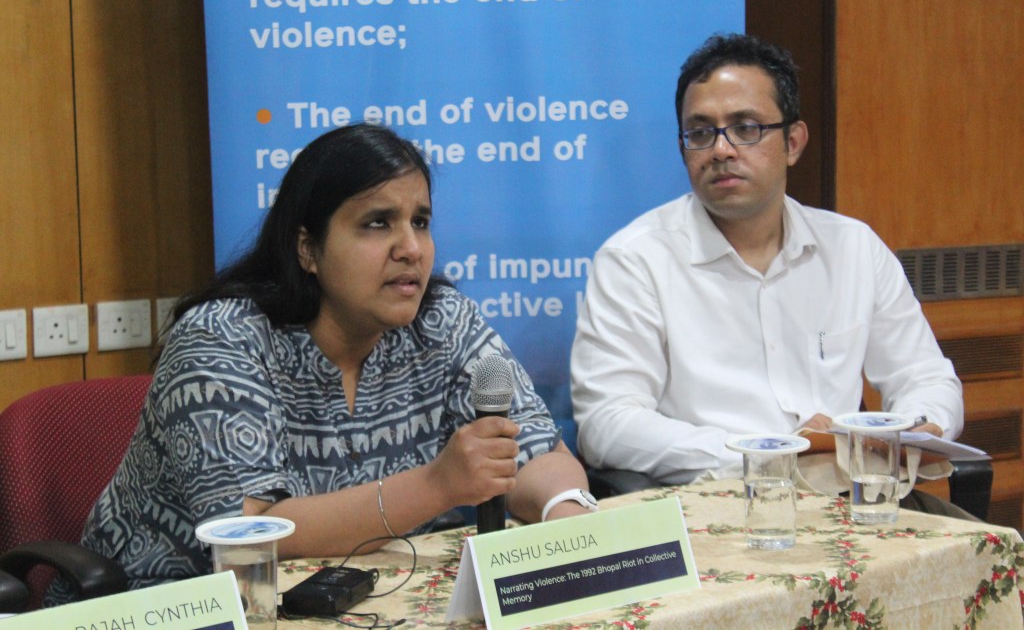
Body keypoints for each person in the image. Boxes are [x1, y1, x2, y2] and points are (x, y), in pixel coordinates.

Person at [62, 123, 593, 595]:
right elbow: (248, 533)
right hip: (168, 606)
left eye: (421, 221)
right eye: (378, 223)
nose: (411, 248)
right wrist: (437, 485)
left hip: (352, 600)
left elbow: (537, 450)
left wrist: (566, 518)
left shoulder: (442, 321)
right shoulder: (222, 338)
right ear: (307, 249)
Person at [571, 33, 963, 495]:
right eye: (701, 133)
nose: (721, 150)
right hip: (718, 503)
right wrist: (771, 452)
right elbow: (607, 424)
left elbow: (925, 377)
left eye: (746, 128)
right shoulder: (635, 260)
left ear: (793, 142)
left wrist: (915, 427)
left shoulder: (853, 248)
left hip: (855, 500)